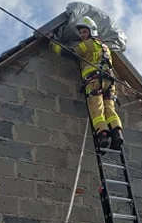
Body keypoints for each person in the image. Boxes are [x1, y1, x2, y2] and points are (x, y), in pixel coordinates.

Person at [50, 16, 124, 151]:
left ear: (91, 31)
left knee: (96, 109)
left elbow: (68, 53)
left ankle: (102, 135)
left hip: (94, 81)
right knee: (110, 109)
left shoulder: (88, 44)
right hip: (110, 83)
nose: (82, 35)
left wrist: (52, 43)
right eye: (81, 33)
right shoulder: (105, 47)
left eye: (84, 32)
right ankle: (117, 133)